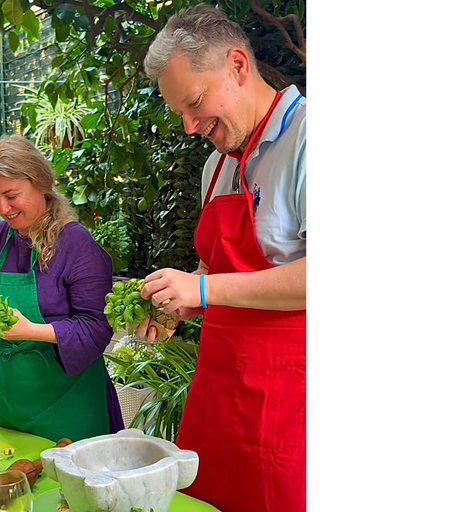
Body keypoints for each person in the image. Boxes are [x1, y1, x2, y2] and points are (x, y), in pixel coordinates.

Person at [139, 5, 306, 512]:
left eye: (194, 102)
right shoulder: (218, 162)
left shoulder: (310, 138)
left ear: (236, 65)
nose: (189, 126)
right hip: (218, 386)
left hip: (290, 393)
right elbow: (219, 270)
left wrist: (206, 290)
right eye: (180, 114)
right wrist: (187, 297)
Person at [0, 134, 124, 443]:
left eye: (11, 195)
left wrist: (31, 330)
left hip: (72, 414)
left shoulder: (76, 244)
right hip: (13, 409)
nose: (3, 208)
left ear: (41, 183)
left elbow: (97, 327)